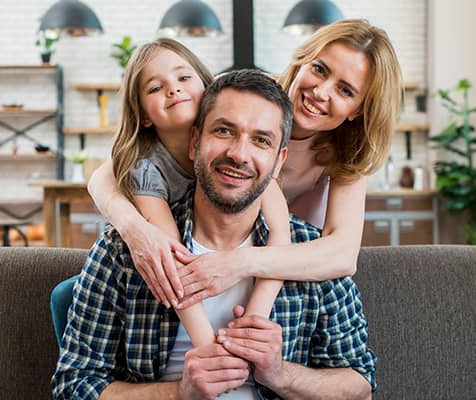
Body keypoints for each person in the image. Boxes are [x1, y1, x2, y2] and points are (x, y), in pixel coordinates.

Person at [52, 69, 376, 400]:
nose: (239, 154)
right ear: (195, 142)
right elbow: (72, 387)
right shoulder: (127, 251)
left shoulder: (310, 256)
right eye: (224, 131)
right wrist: (179, 393)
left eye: (261, 140)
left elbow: (361, 387)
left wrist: (280, 375)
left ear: (279, 162)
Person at [87, 19, 403, 310]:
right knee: (78, 292)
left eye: (345, 90)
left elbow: (342, 255)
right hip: (198, 251)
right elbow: (110, 174)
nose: (320, 92)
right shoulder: (245, 95)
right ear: (301, 60)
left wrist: (237, 263)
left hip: (280, 272)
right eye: (319, 69)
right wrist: (135, 230)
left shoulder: (349, 152)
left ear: (359, 110)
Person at [93, 38, 290, 348]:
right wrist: (210, 349)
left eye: (183, 78)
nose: (173, 89)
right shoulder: (146, 169)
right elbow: (173, 257)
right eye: (155, 88)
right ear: (143, 114)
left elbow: (281, 235)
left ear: (206, 86)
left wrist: (256, 316)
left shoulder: (244, 159)